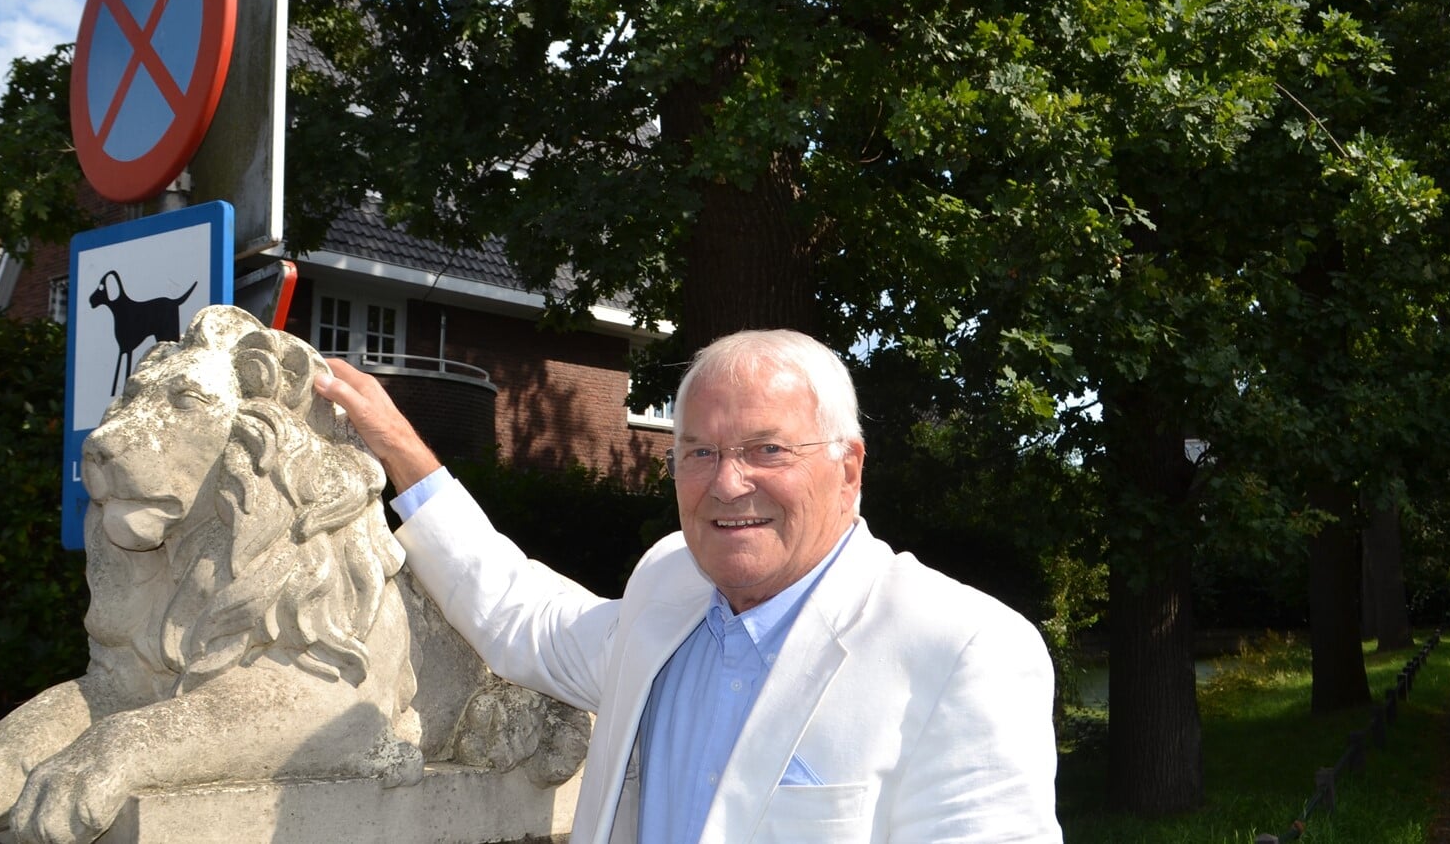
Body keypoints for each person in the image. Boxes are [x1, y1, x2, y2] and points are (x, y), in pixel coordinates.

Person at [314, 328, 1062, 844]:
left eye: (766, 449)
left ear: (850, 468)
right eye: (698, 452)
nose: (727, 483)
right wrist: (403, 452)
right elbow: (521, 617)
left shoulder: (963, 649)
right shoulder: (667, 589)